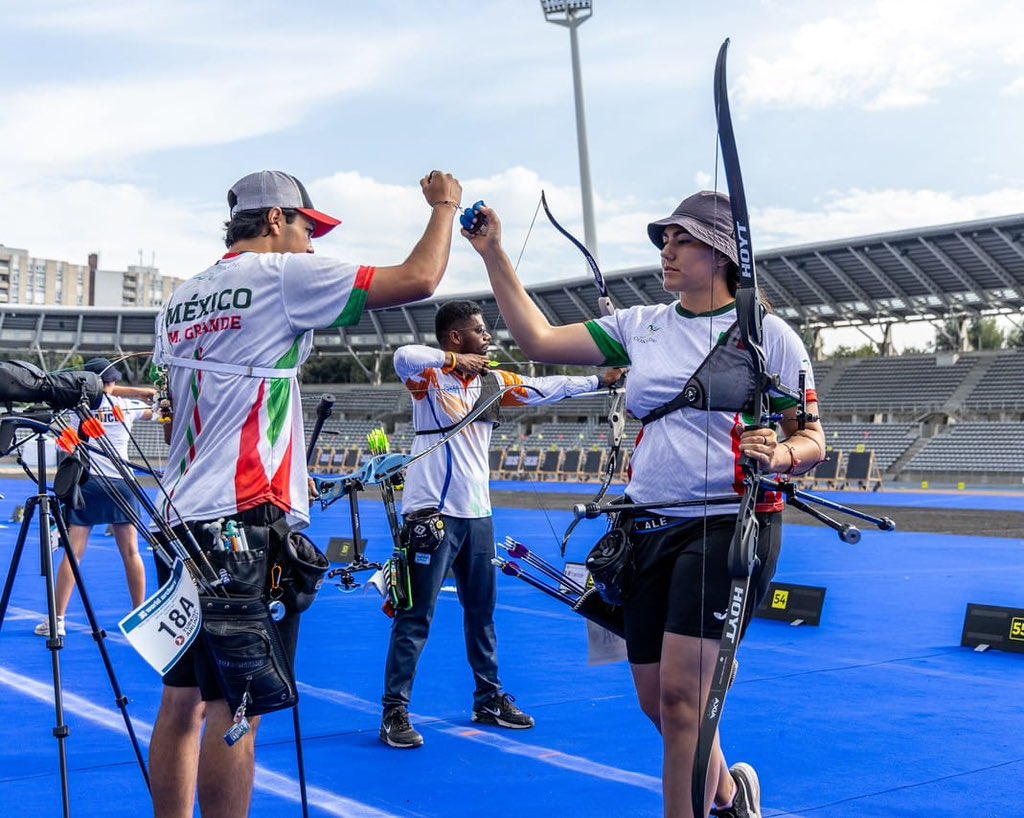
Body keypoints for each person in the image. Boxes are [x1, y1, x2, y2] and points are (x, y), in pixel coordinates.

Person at [463, 193, 826, 818]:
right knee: (657, 701)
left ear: (721, 252)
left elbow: (813, 437)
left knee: (686, 699)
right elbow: (539, 339)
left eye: (681, 240)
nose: (667, 249)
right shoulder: (642, 325)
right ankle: (734, 798)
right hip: (645, 529)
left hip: (725, 527)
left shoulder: (769, 335)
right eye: (665, 239)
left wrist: (780, 454)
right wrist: (494, 252)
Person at [149, 169, 464, 818]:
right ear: (273, 221)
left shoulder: (178, 300)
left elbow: (174, 411)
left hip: (178, 519)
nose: (312, 246)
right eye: (305, 228)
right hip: (240, 523)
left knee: (180, 699)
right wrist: (444, 207)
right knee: (238, 707)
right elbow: (419, 280)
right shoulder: (277, 277)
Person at [380, 299, 625, 748]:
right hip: (430, 514)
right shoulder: (430, 377)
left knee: (482, 613)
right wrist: (455, 360)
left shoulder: (493, 382)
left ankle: (488, 698)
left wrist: (600, 379)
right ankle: (395, 711)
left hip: (477, 515)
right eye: (478, 330)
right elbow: (402, 356)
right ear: (456, 338)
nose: (488, 336)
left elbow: (547, 387)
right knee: (416, 615)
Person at [34, 357, 156, 638]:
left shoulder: (77, 407)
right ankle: (140, 615)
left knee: (74, 553)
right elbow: (154, 406)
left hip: (89, 482)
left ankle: (58, 620)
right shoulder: (127, 405)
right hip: (122, 482)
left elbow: (95, 391)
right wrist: (141, 392)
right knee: (131, 551)